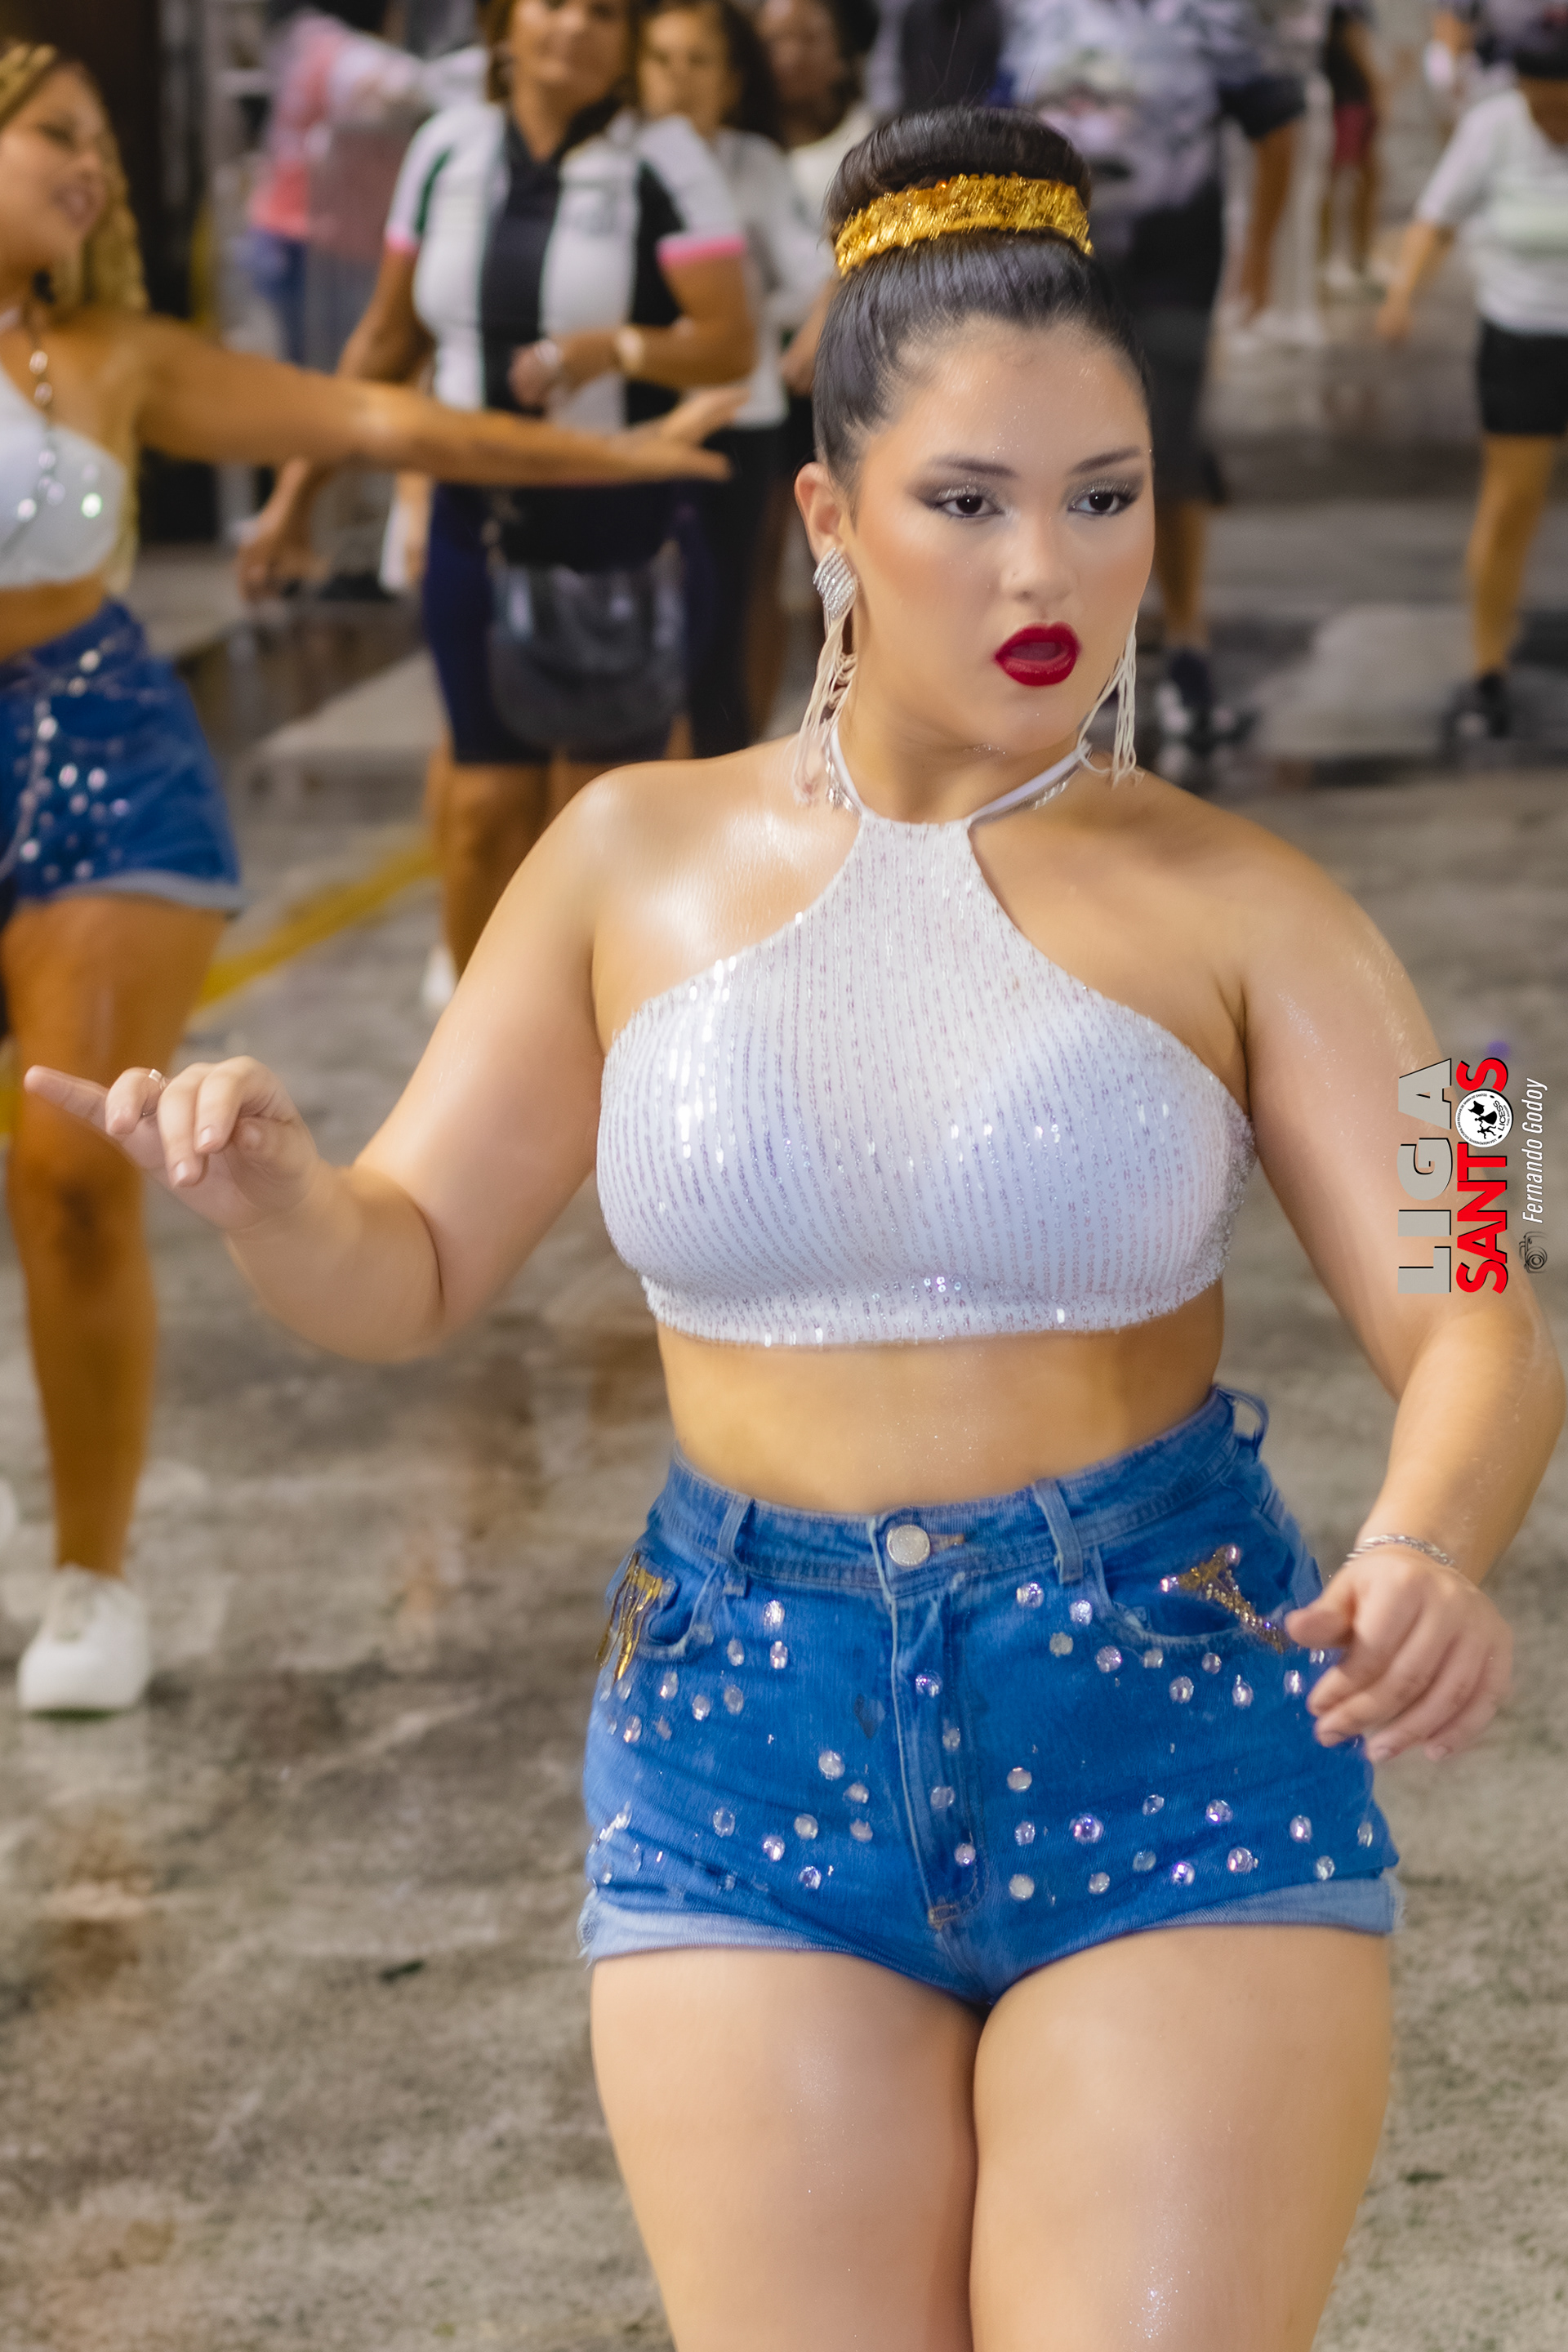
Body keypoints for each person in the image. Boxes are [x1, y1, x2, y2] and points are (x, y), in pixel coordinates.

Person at [36, 103, 1561, 2347]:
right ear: (831, 517)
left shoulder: (1277, 908)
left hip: (1164, 1729)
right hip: (737, 1755)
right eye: (969, 502)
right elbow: (405, 1266)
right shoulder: (624, 860)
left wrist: (1428, 1542)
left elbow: (1490, 1298)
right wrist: (273, 1191)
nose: (1048, 573)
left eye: (1106, 497)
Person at [0, 37, 737, 1716]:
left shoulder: (119, 357)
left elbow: (379, 414)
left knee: (69, 1174)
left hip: (100, 759)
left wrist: (616, 461)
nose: (92, 167)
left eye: (102, 140)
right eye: (54, 135)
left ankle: (93, 1576)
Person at [241, 0, 754, 980]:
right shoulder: (448, 150)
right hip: (472, 520)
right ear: (502, 22)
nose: (577, 28)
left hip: (615, 523)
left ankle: (602, 1049)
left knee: (599, 819)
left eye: (604, 13)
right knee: (482, 809)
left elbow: (729, 340)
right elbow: (387, 342)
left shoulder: (661, 160)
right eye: (553, 3)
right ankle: (474, 1039)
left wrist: (613, 350)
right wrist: (295, 496)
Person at [1002, 0, 1305, 764]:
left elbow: (1277, 124)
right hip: (1053, 268)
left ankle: (1189, 646)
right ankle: (1085, 643)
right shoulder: (1028, 13)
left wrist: (1260, 251)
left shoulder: (1208, 14)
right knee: (1056, 461)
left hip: (1173, 267)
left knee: (1164, 452)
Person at [639, 0, 831, 752]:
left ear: (731, 81)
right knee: (640, 621)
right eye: (662, 61)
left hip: (736, 414)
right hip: (634, 414)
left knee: (724, 610)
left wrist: (781, 319)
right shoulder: (615, 164)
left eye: (699, 62)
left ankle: (723, 775)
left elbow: (814, 271)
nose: (680, 79)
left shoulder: (755, 161)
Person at [1377, 38, 1568, 742]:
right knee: (1512, 502)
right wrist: (1402, 294)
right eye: (1541, 108)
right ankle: (1489, 668)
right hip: (1520, 338)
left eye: (1565, 111)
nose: (1553, 124)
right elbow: (1437, 220)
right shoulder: (1494, 127)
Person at [751, 0, 879, 728]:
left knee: (836, 561)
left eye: (808, 37)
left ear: (841, 51)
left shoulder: (873, 140)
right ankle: (749, 731)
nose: (790, 54)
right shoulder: (736, 144)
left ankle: (844, 721)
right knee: (756, 559)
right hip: (752, 374)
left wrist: (827, 309)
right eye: (773, 39)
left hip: (843, 374)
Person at [1320, 0, 1387, 295]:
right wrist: (1376, 86)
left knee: (1364, 179)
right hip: (1345, 96)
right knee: (1336, 182)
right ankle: (1328, 261)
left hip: (1352, 95)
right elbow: (1354, 41)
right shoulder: (1346, 11)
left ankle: (1358, 258)